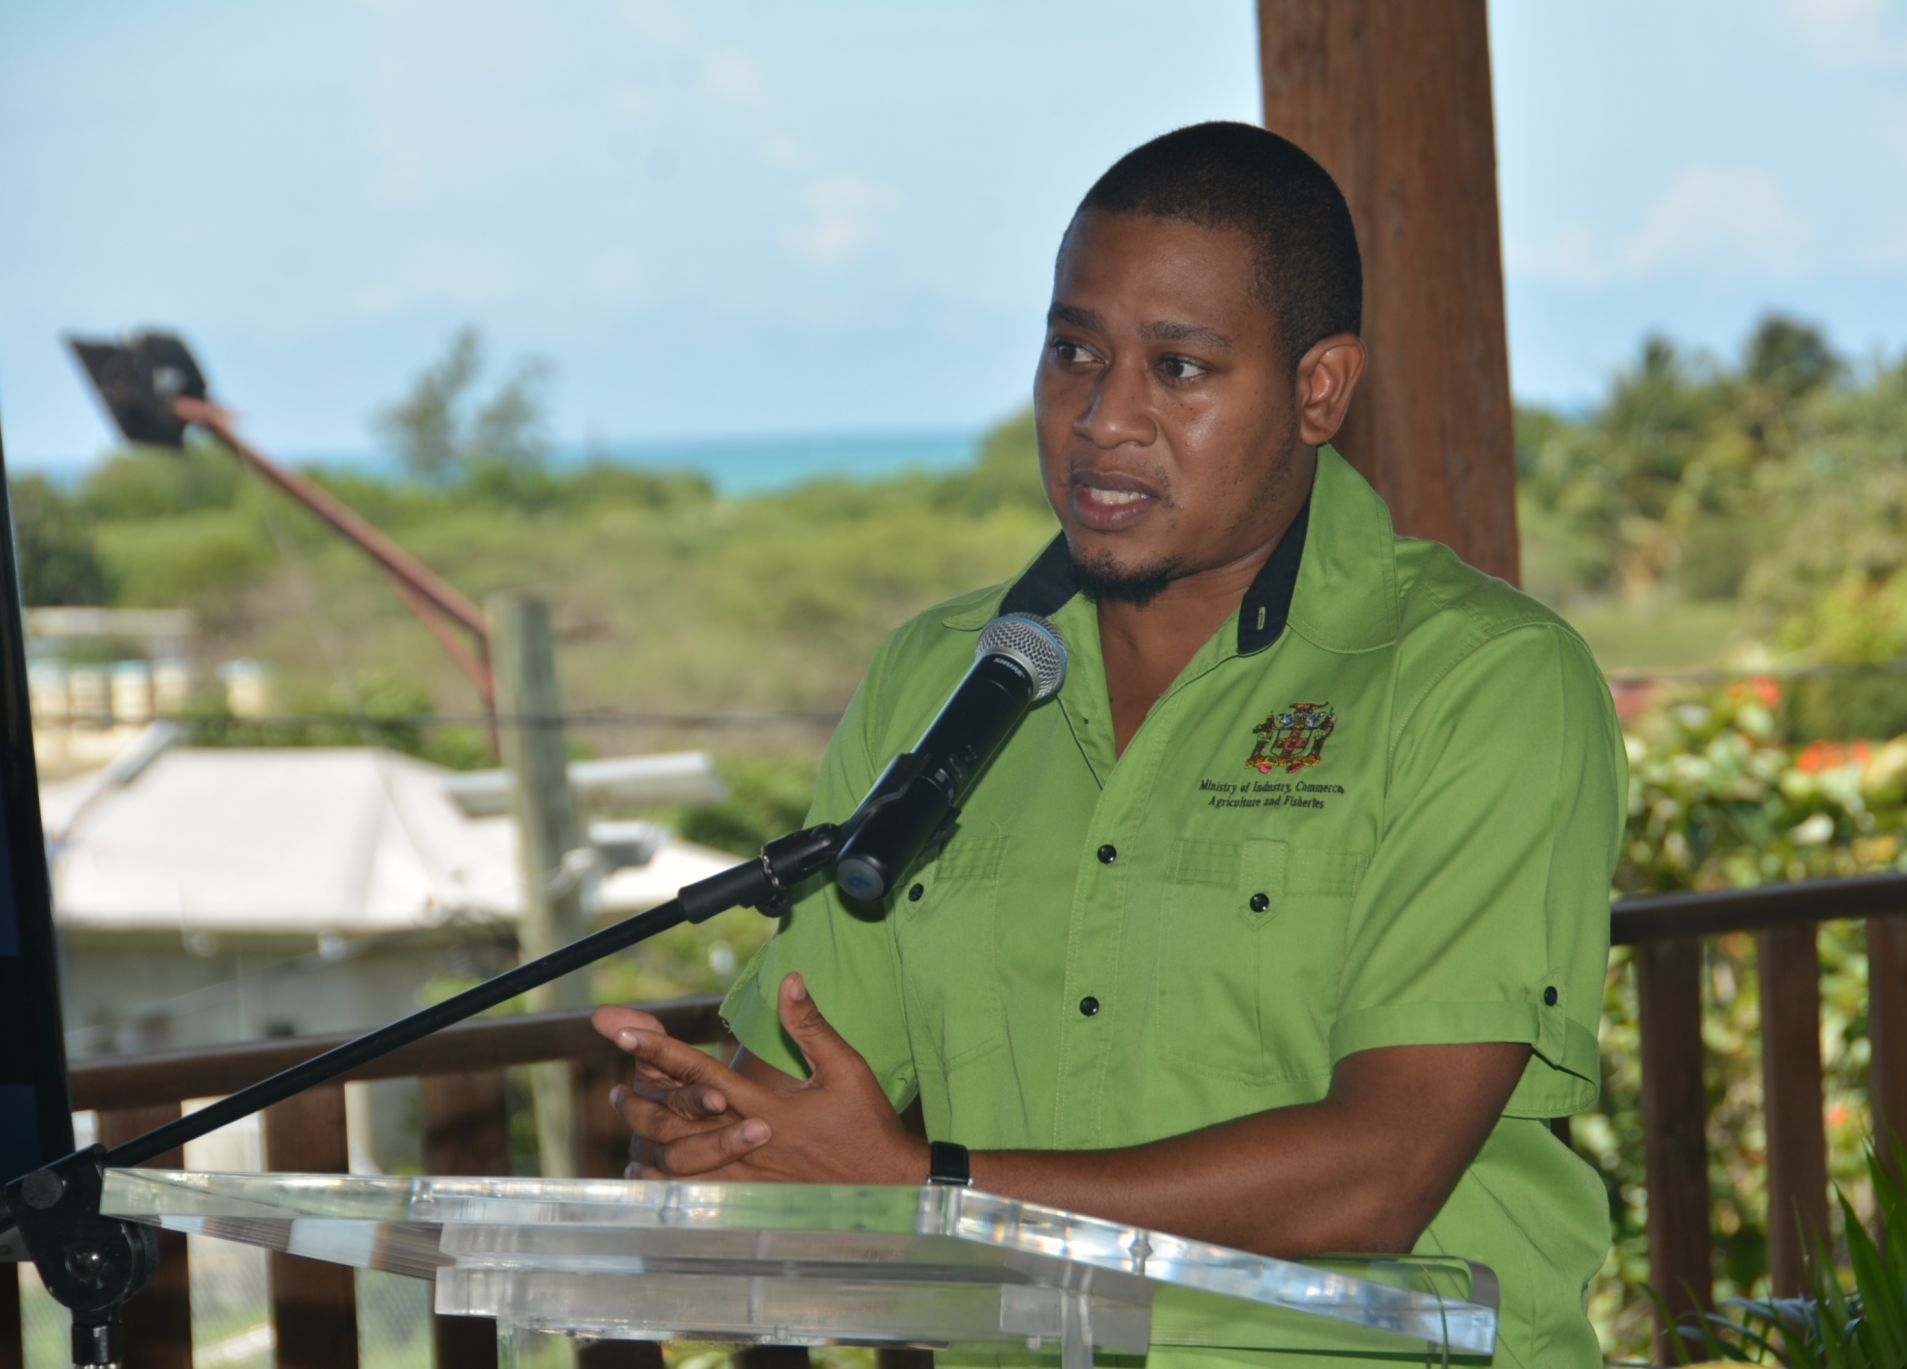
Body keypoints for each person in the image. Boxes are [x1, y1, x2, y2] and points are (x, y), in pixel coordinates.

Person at [593, 120, 1627, 1368]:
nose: (1103, 418)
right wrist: (715, 1131)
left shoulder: (1479, 679)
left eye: (1178, 368)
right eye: (1071, 351)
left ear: (1318, 390)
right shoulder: (939, 680)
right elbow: (814, 1099)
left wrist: (939, 1184)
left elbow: (1378, 1174)